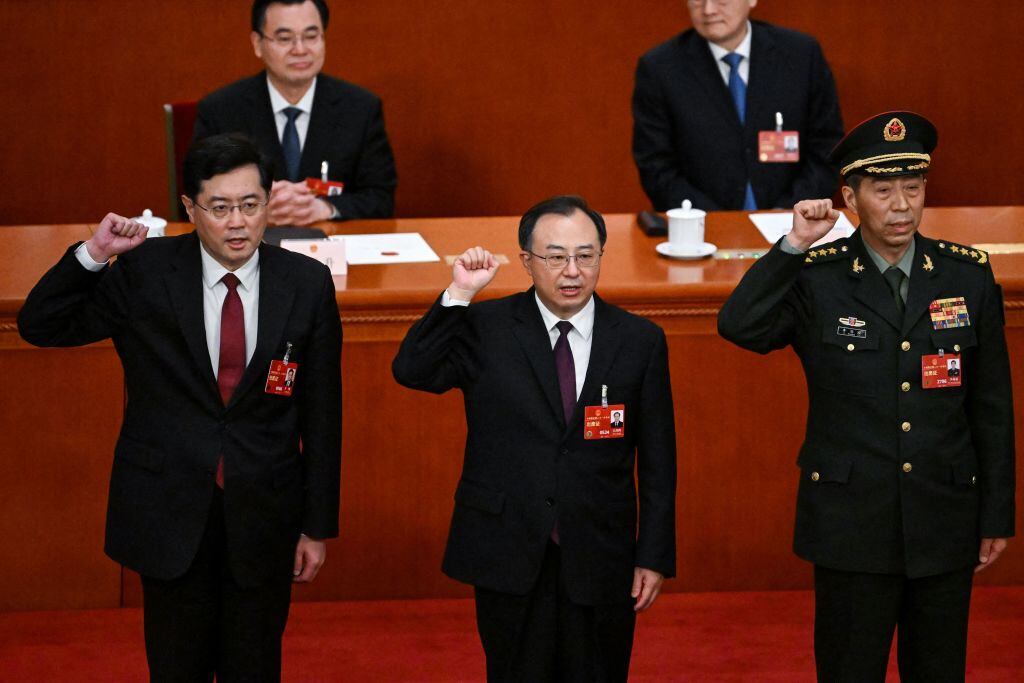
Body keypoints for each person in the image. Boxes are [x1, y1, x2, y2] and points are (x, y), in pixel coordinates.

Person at [18, 133, 343, 681]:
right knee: (176, 667)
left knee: (255, 665)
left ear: (268, 201)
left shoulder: (305, 283)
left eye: (250, 204)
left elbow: (324, 413)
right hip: (167, 509)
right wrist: (94, 255)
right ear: (191, 208)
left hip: (264, 510)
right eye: (219, 208)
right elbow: (40, 325)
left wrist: (316, 526)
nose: (237, 222)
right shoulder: (145, 272)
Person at [718, 111, 1015, 681]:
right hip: (851, 523)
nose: (902, 205)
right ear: (850, 199)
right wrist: (794, 244)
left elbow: (991, 407)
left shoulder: (966, 277)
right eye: (883, 190)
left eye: (913, 187)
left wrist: (995, 512)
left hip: (943, 516)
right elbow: (740, 326)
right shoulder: (817, 275)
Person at [392, 195, 677, 681]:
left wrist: (652, 554)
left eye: (585, 256)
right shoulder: (485, 327)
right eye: (555, 256)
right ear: (526, 261)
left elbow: (658, 460)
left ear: (601, 258)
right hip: (508, 548)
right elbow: (413, 369)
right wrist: (458, 295)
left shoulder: (639, 340)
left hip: (601, 553)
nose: (572, 270)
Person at [193, 0, 397, 225]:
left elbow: (381, 198)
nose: (300, 50)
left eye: (311, 36)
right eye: (284, 38)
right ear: (258, 43)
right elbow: (198, 197)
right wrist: (252, 208)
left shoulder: (361, 108)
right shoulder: (221, 110)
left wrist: (324, 208)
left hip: (332, 247)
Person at [632, 0, 843, 212]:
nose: (708, 10)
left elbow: (827, 147)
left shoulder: (802, 55)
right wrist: (716, 222)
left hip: (793, 221)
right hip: (702, 229)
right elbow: (655, 165)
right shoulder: (660, 68)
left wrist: (791, 210)